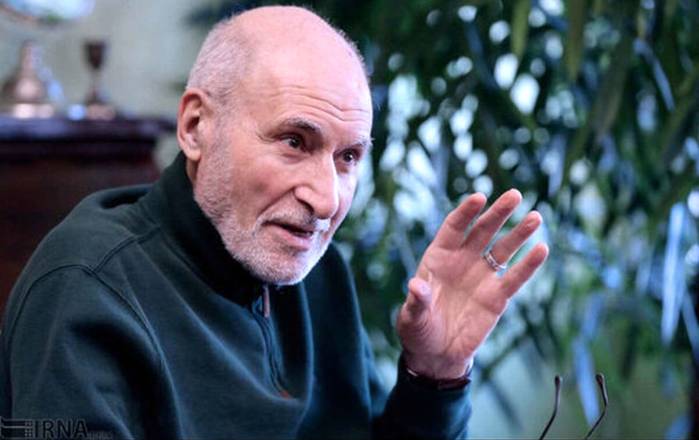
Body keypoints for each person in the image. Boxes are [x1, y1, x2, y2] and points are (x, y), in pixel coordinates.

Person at [0, 6, 548, 439]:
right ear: (195, 127)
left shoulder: (320, 273)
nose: (326, 199)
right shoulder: (86, 287)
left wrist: (435, 374)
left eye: (348, 157)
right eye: (294, 142)